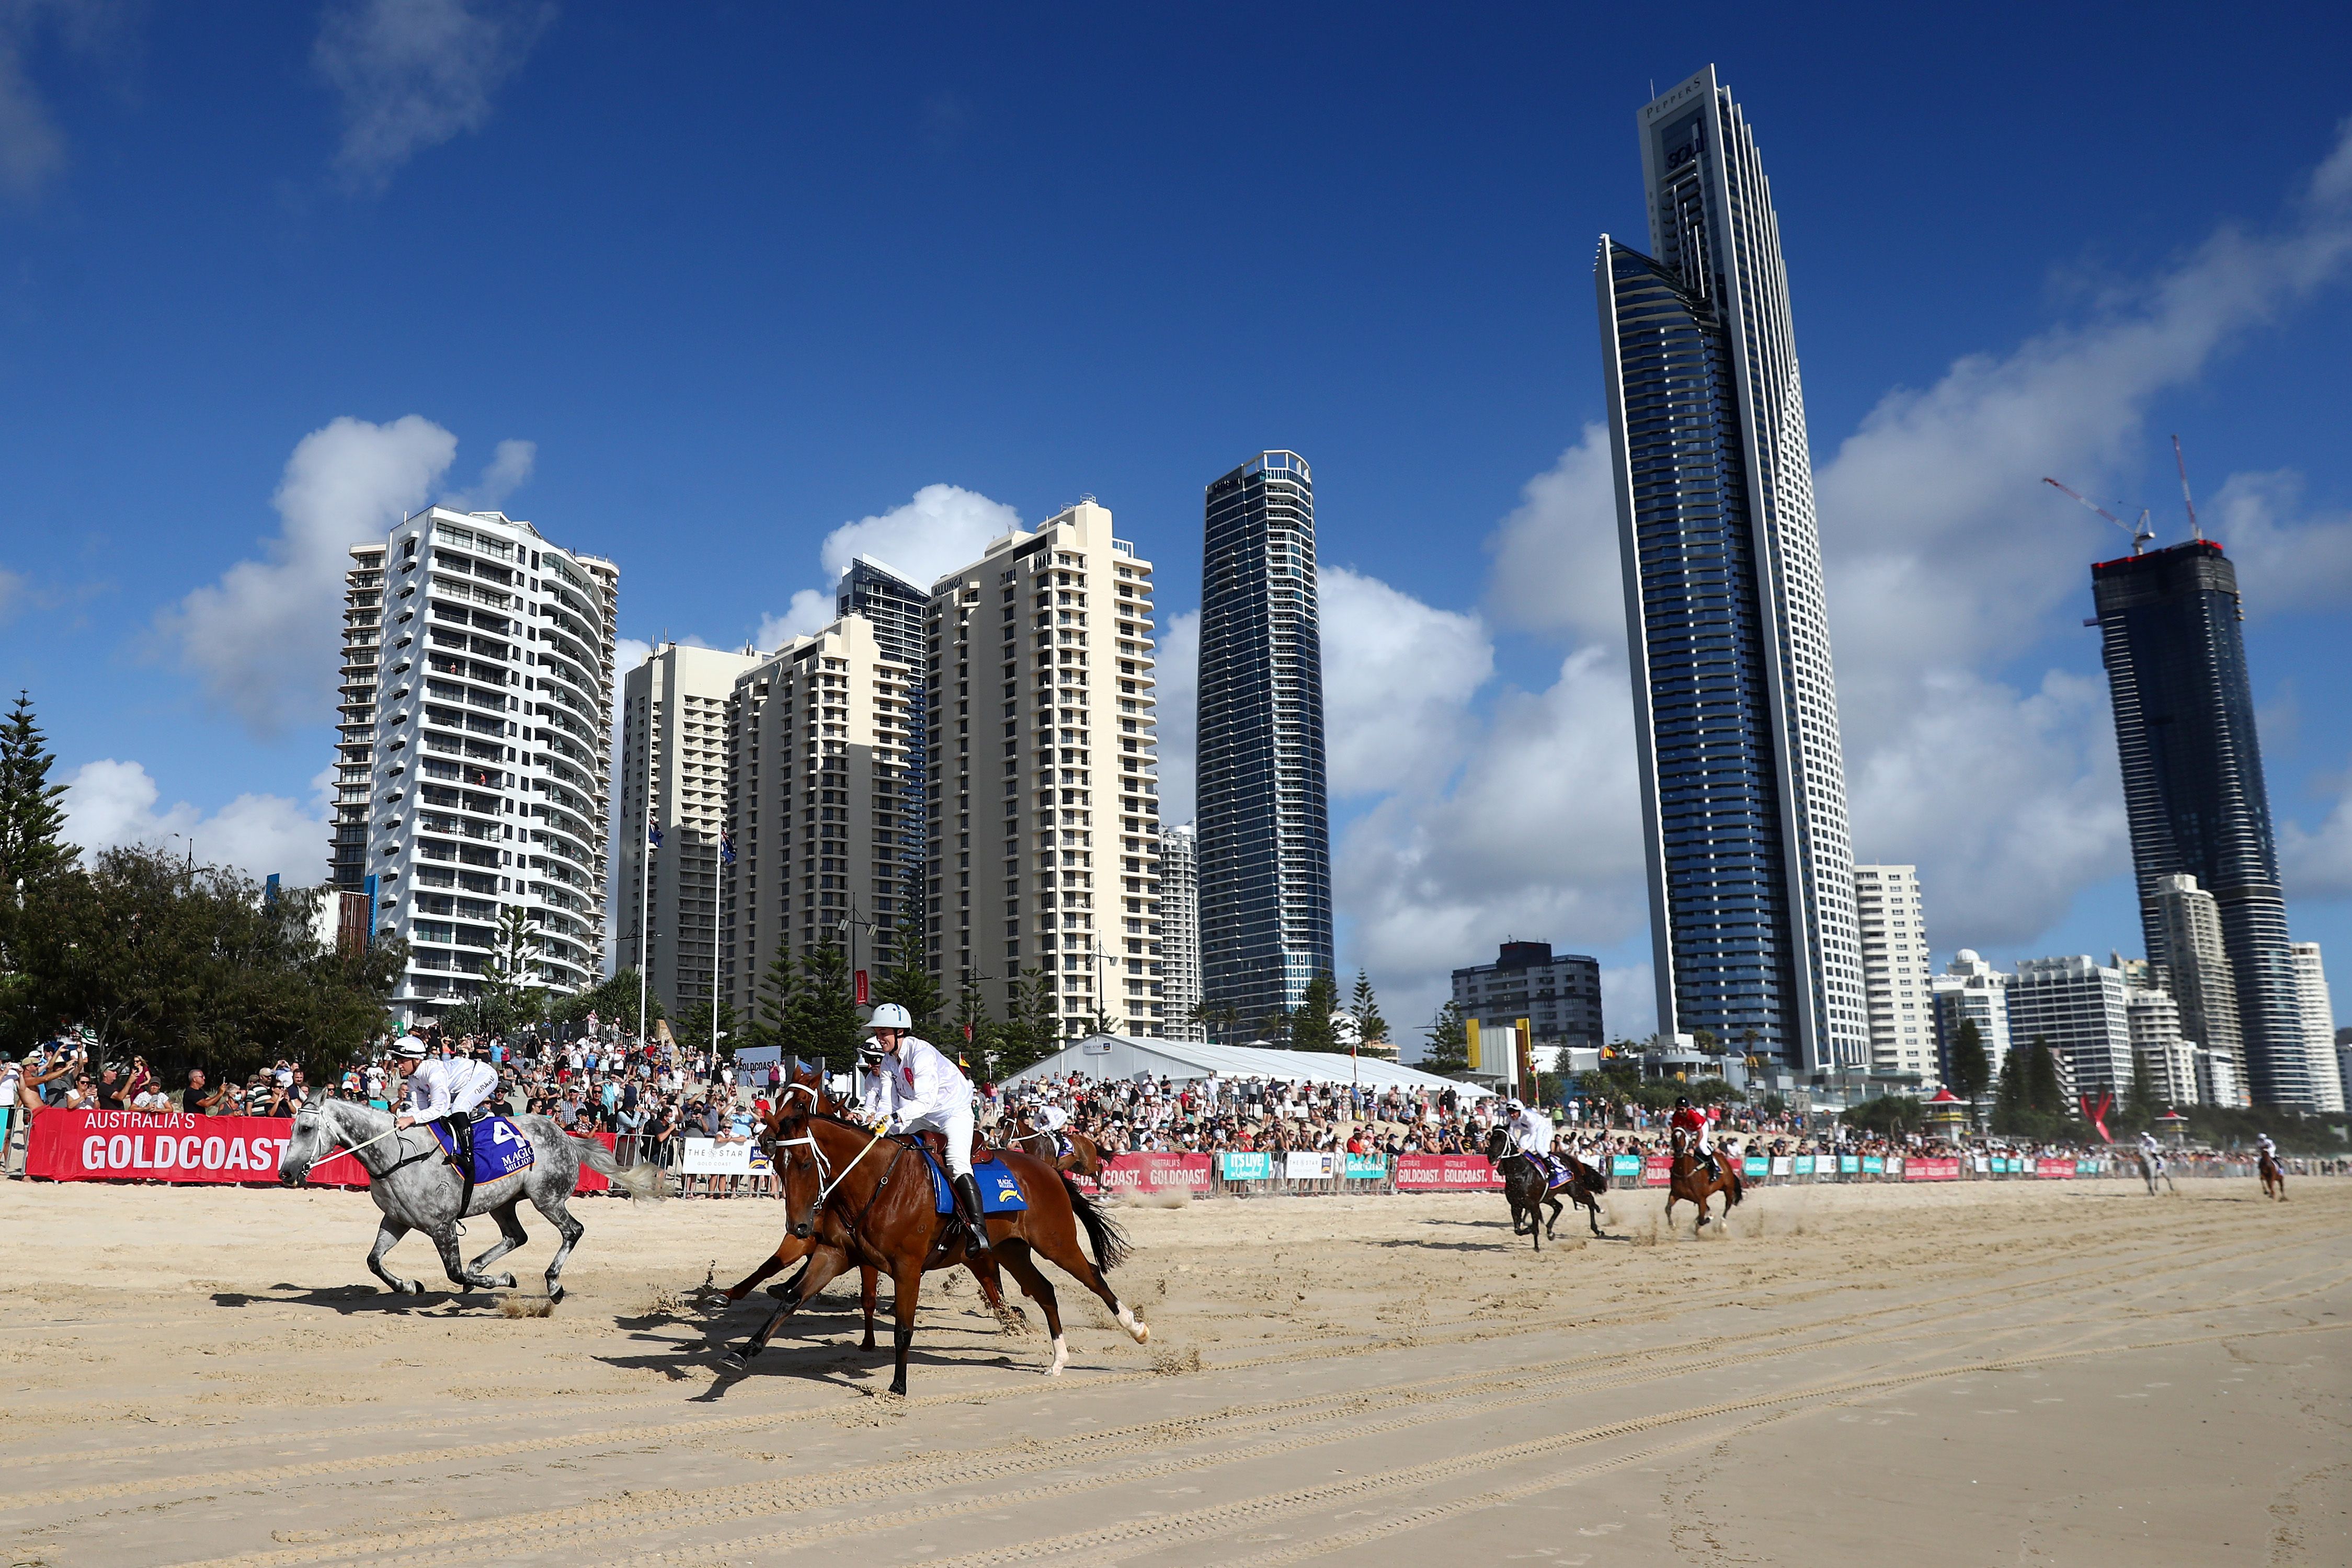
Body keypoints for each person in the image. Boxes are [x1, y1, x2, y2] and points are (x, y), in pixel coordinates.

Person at [859, 1003, 990, 1255]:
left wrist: (892, 1118)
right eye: (877, 1032)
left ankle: (978, 1231)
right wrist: (880, 1121)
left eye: (883, 1032)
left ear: (900, 1032)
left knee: (956, 1163)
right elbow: (887, 1103)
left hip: (953, 1112)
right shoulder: (888, 1061)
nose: (879, 1038)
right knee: (890, 1142)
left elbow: (925, 1101)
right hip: (924, 1114)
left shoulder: (922, 1053)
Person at [1669, 1096, 1717, 1178]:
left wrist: (1694, 1147)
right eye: (1678, 1109)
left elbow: (1700, 1134)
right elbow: (1676, 1131)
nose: (1680, 1111)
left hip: (1702, 1127)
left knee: (1702, 1146)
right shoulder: (1676, 1116)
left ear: (1687, 1108)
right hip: (1689, 1128)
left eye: (1682, 1109)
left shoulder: (1694, 1116)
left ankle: (1714, 1169)